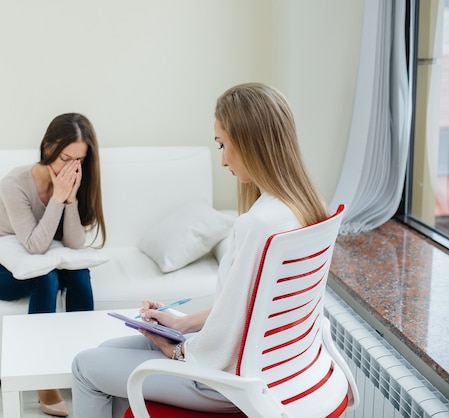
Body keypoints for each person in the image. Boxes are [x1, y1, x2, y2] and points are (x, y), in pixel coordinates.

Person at [70, 83, 328, 418]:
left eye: (223, 145)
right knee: (106, 352)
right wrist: (182, 323)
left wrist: (178, 351)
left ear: (251, 143)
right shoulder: (307, 210)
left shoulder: (259, 224)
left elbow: (223, 340)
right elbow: (249, 309)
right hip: (277, 369)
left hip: (226, 382)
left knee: (84, 366)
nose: (222, 160)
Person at [0, 112, 106, 417]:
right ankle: (42, 378)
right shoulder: (14, 183)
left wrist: (70, 199)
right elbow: (35, 246)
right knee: (45, 278)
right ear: (48, 147)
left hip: (41, 262)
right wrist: (57, 199)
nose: (72, 167)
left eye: (79, 161)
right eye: (65, 158)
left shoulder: (74, 181)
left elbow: (74, 244)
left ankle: (89, 365)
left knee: (79, 274)